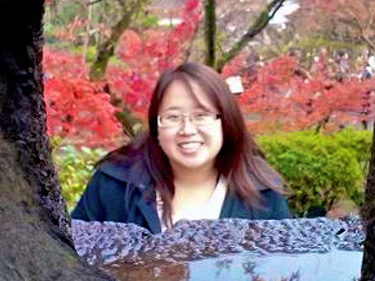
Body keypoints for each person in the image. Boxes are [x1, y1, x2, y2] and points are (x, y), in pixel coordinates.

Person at [70, 62, 290, 234]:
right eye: (173, 117)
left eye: (201, 115)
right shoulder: (114, 185)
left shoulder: (262, 194)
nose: (187, 129)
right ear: (157, 125)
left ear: (225, 121)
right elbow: (72, 260)